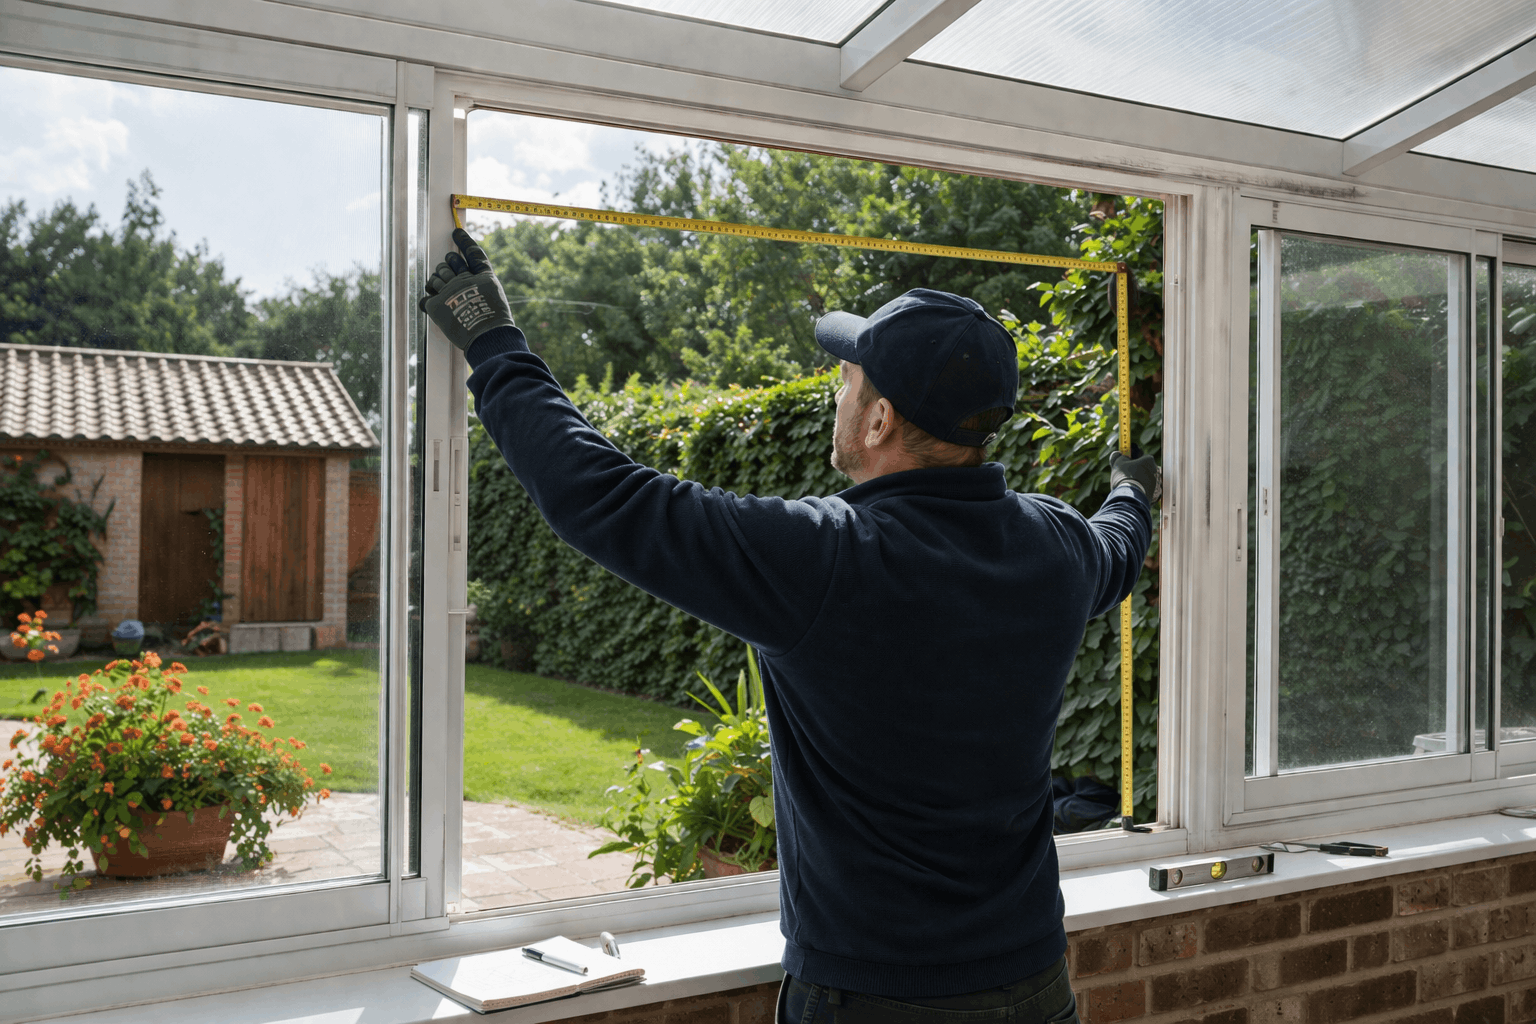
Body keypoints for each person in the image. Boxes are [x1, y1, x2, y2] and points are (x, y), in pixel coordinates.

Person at [422, 229, 1157, 1024]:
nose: (835, 392)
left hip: (872, 999)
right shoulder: (1053, 546)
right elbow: (1119, 542)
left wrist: (493, 342)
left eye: (846, 378)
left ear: (877, 421)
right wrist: (1133, 486)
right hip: (1033, 983)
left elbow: (604, 497)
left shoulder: (827, 557)